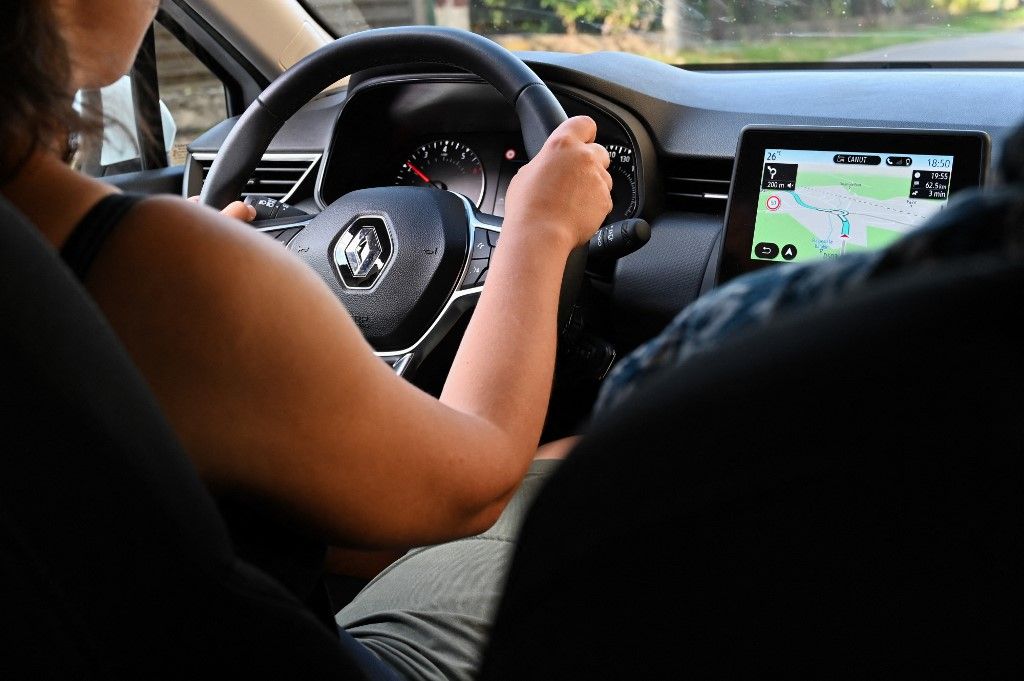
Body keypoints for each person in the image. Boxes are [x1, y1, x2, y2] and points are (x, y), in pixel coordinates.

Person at [1, 1, 610, 680]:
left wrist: (228, 274)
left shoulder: (87, 266)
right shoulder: (161, 272)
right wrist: (540, 226)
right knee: (603, 467)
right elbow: (477, 483)